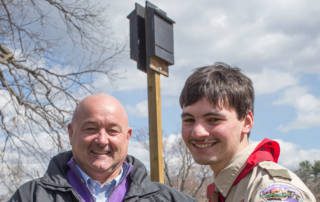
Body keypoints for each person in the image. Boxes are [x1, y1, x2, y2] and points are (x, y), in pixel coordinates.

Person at [10, 93, 195, 202]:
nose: (102, 140)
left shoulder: (167, 199)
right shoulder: (30, 197)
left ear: (127, 137)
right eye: (91, 129)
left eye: (113, 131)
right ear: (71, 132)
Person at [179, 62, 316, 202]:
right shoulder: (227, 189)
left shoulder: (271, 190)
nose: (197, 132)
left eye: (213, 120)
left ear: (247, 122)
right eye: (189, 120)